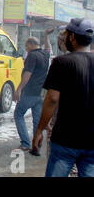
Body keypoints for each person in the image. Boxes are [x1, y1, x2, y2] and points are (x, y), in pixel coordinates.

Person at [32, 18, 94, 177]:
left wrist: (39, 130)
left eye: (66, 34)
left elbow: (52, 99)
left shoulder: (61, 62)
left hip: (66, 139)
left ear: (72, 37)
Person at [13, 37, 50, 153]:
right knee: (37, 121)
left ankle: (25, 143)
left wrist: (19, 89)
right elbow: (48, 47)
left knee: (18, 113)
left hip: (30, 92)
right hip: (40, 93)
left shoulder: (32, 56)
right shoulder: (45, 54)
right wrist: (46, 36)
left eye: (26, 45)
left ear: (31, 44)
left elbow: (28, 73)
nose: (26, 48)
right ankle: (36, 147)